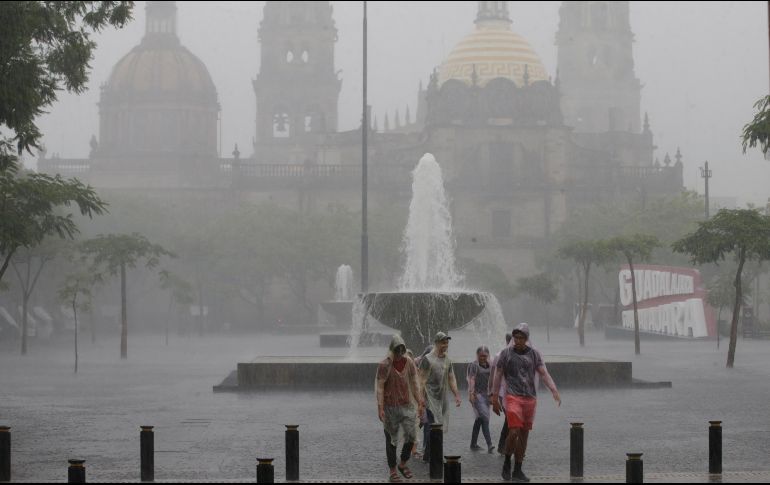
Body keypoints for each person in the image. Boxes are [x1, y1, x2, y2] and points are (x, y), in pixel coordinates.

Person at [492, 323, 561, 482]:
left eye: (521, 337)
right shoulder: (506, 353)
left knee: (524, 435)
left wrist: (554, 390)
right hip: (512, 397)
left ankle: (518, 469)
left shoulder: (534, 354)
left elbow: (543, 373)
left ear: (526, 338)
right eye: (516, 337)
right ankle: (507, 463)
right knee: (514, 431)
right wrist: (495, 397)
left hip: (530, 398)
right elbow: (498, 374)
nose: (518, 340)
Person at [376, 335, 424, 483]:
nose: (400, 353)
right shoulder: (385, 365)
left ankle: (403, 463)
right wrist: (380, 408)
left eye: (402, 349)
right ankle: (392, 470)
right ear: (392, 349)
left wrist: (420, 401)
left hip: (406, 404)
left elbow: (415, 383)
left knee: (411, 435)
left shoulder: (408, 362)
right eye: (397, 349)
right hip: (390, 407)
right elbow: (380, 387)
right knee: (391, 440)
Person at [419, 332, 461, 463]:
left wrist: (457, 395)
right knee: (435, 426)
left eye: (447, 342)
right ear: (436, 343)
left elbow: (451, 377)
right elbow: (421, 380)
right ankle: (435, 456)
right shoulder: (427, 359)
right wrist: (420, 400)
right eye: (443, 342)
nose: (445, 345)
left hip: (442, 398)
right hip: (430, 398)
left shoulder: (447, 360)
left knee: (438, 428)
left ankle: (427, 455)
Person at [467, 345, 495, 453]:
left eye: (485, 356)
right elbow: (471, 379)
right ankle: (490, 444)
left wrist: (492, 394)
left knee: (479, 419)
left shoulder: (490, 365)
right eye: (481, 356)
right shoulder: (474, 365)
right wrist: (471, 393)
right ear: (477, 355)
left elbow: (492, 380)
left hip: (486, 395)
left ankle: (473, 444)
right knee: (485, 418)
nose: (483, 358)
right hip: (477, 395)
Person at [489, 332, 512, 454]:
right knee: (510, 419)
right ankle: (504, 446)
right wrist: (492, 395)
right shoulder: (500, 355)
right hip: (503, 393)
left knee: (511, 419)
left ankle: (505, 445)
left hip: (515, 393)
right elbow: (494, 376)